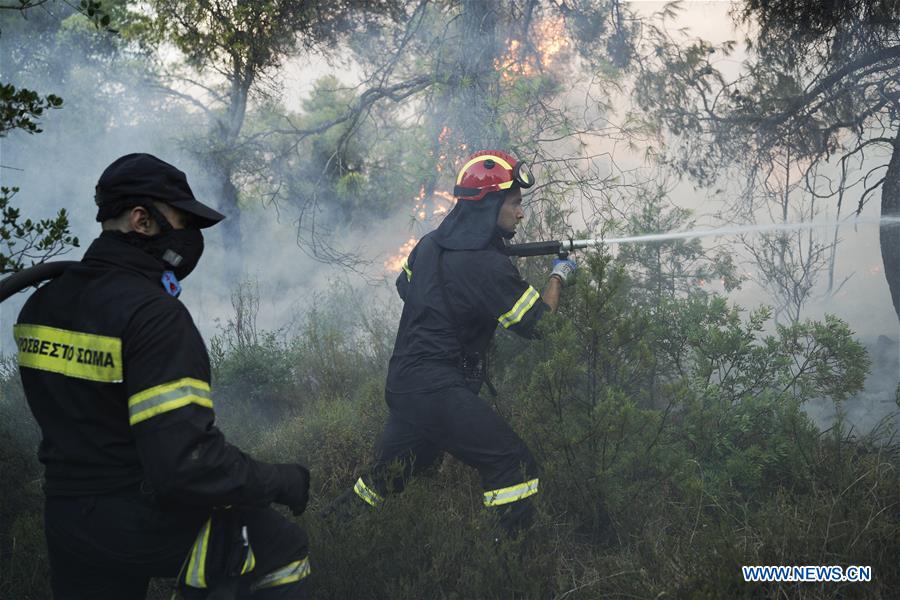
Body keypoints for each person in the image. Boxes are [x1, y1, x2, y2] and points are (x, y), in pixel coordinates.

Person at [13, 153, 311, 599]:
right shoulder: (154, 317)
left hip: (68, 519)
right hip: (133, 517)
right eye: (181, 221)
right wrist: (281, 481)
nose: (189, 237)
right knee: (280, 548)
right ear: (142, 220)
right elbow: (185, 465)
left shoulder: (43, 303)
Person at [330, 150, 576, 534]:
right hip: (437, 388)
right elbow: (542, 326)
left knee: (384, 479)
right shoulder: (485, 265)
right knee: (513, 463)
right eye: (515, 204)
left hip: (405, 385)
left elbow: (405, 286)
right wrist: (560, 274)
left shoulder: (429, 245)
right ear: (491, 203)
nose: (521, 214)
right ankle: (508, 564)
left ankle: (326, 534)